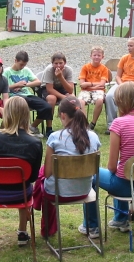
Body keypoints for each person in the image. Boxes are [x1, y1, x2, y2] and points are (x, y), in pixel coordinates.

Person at [83, 82, 134, 235]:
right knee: (122, 167)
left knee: (90, 172)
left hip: (126, 186)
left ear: (120, 102)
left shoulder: (119, 124)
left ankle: (91, 225)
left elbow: (112, 167)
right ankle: (120, 218)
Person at [0, 96, 43, 246]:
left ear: (6, 113)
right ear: (27, 114)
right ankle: (22, 232)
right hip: (21, 194)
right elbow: (33, 177)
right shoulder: (35, 142)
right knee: (25, 184)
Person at [42, 96, 101, 238]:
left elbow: (47, 173)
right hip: (84, 191)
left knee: (41, 180)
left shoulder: (55, 137)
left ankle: (48, 229)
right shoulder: (93, 137)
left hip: (57, 194)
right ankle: (93, 226)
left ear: (62, 115)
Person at [105, 37, 134, 133]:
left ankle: (129, 124)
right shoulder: (124, 58)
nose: (129, 48)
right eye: (128, 46)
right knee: (109, 96)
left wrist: (130, 86)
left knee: (128, 99)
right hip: (121, 84)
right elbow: (118, 76)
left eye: (131, 46)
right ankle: (111, 125)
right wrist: (122, 85)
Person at [3, 51, 53, 137]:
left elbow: (38, 82)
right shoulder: (7, 72)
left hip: (28, 95)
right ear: (15, 60)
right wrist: (16, 85)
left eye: (24, 65)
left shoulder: (26, 70)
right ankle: (20, 129)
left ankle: (32, 127)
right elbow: (2, 87)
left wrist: (25, 85)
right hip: (14, 97)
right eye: (21, 64)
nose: (22, 67)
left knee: (47, 107)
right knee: (23, 102)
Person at [78, 45, 109, 130]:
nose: (96, 57)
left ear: (102, 57)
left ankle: (93, 123)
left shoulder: (104, 69)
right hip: (86, 91)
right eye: (94, 55)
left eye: (99, 55)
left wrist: (89, 84)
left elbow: (102, 84)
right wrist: (95, 85)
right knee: (80, 101)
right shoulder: (85, 67)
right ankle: (84, 124)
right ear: (91, 56)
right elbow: (82, 84)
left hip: (98, 91)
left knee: (99, 100)